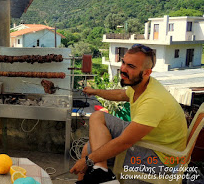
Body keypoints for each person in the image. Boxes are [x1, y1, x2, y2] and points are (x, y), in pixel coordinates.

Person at [70, 44, 187, 183]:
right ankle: (101, 172)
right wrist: (96, 91)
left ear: (147, 72)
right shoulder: (142, 85)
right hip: (149, 140)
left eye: (131, 66)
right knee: (94, 127)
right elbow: (120, 94)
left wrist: (89, 160)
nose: (123, 69)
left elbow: (124, 142)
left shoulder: (153, 100)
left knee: (89, 153)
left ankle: (101, 174)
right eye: (123, 62)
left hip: (160, 158)